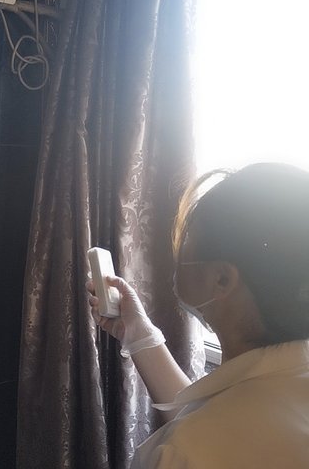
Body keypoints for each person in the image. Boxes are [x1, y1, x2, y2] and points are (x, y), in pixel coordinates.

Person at [87, 163, 309, 468]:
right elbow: (215, 412)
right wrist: (138, 333)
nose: (177, 253)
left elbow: (209, 428)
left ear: (222, 279)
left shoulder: (183, 452)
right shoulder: (283, 386)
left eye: (188, 238)